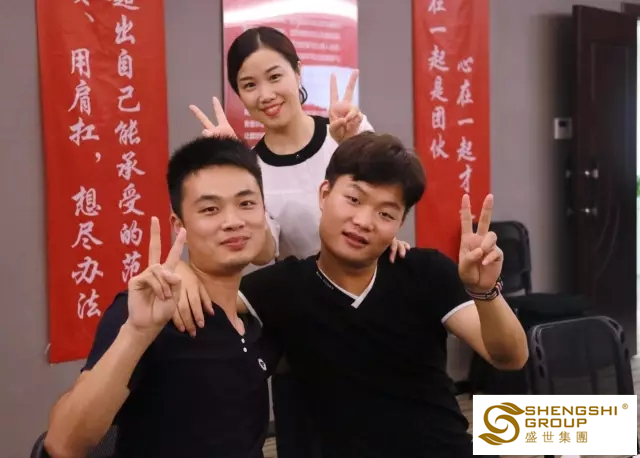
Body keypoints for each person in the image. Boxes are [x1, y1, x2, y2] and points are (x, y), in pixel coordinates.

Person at [180, 132, 529, 457]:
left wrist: (485, 292)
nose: (364, 221)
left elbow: (510, 358)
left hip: (444, 447)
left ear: (399, 223)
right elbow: (209, 291)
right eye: (353, 199)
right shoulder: (281, 286)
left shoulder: (424, 271)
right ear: (324, 194)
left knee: (547, 431)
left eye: (385, 213)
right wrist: (183, 272)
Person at [183, 26, 408, 458]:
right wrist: (237, 172)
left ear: (298, 72)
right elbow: (265, 252)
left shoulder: (347, 132)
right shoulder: (254, 168)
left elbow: (391, 203)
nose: (266, 94)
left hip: (374, 312)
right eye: (249, 85)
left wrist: (351, 145)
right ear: (239, 95)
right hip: (306, 329)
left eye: (275, 76)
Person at [44, 136, 282, 458]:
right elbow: (63, 444)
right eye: (210, 209)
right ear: (178, 225)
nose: (233, 221)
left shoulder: (255, 320)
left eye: (246, 204)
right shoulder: (149, 314)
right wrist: (137, 333)